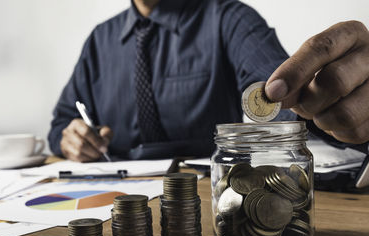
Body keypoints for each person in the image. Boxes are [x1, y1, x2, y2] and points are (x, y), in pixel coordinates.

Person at [48, 0, 369, 162]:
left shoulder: (229, 20)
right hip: (111, 203)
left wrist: (332, 108)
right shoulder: (99, 40)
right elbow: (62, 121)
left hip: (208, 198)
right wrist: (69, 139)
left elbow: (287, 98)